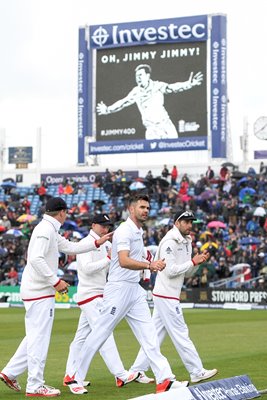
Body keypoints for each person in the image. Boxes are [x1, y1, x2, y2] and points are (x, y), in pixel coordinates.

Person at [66, 194, 189, 395]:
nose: (146, 210)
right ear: (131, 209)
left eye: (147, 207)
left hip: (134, 289)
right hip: (119, 288)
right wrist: (149, 264)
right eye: (142, 207)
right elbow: (123, 260)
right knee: (100, 333)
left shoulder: (138, 231)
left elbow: (134, 257)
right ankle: (74, 376)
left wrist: (147, 262)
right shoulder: (124, 231)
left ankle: (164, 379)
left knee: (149, 335)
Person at [0, 197, 113, 397]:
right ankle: (35, 385)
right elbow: (35, 259)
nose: (67, 214)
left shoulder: (49, 229)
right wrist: (55, 281)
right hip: (39, 290)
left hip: (37, 289)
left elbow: (70, 247)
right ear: (61, 212)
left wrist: (97, 242)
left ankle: (10, 373)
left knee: (34, 336)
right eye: (66, 212)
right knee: (39, 338)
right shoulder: (45, 230)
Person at [63, 213, 152, 394]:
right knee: (104, 334)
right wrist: (108, 259)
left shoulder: (108, 243)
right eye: (103, 226)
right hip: (90, 294)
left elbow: (122, 257)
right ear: (93, 225)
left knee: (80, 338)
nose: (106, 229)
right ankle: (120, 374)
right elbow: (86, 269)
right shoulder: (86, 244)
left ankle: (68, 374)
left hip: (100, 293)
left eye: (108, 226)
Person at [129, 209, 218, 384]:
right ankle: (196, 371)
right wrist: (192, 262)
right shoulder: (169, 241)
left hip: (169, 294)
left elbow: (186, 272)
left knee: (153, 336)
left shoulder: (187, 241)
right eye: (186, 222)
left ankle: (136, 370)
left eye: (191, 222)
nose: (190, 225)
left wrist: (197, 263)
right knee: (180, 333)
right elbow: (170, 271)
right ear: (176, 223)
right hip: (166, 295)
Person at [96, 64, 203, 140]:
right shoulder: (136, 92)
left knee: (176, 154)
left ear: (148, 76)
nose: (138, 78)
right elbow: (123, 102)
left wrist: (189, 84)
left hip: (166, 126)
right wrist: (108, 109)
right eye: (136, 76)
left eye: (140, 75)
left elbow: (172, 88)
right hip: (152, 130)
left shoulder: (157, 86)